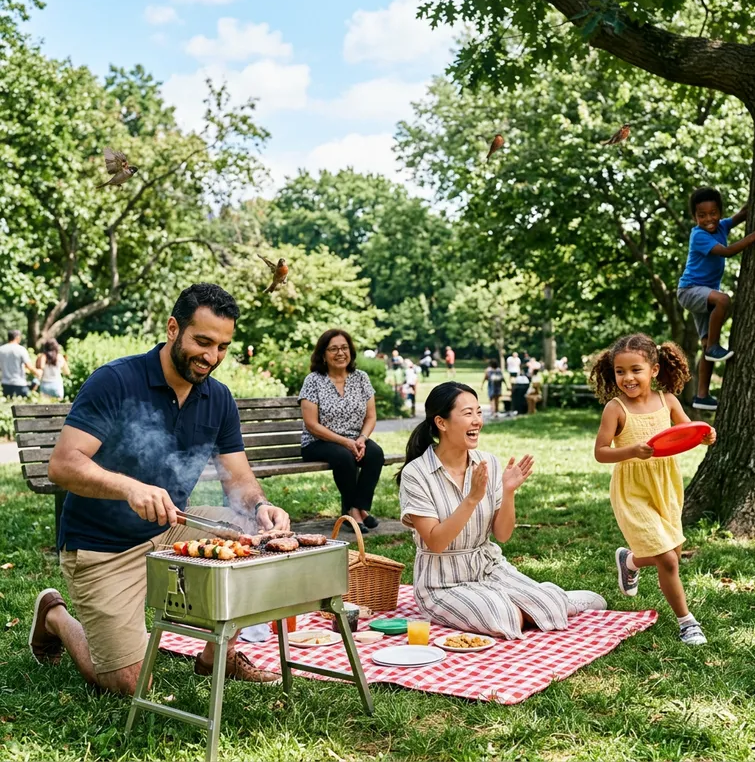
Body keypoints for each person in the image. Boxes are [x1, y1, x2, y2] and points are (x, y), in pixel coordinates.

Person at [28, 284, 291, 694]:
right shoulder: (115, 381)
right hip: (102, 547)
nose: (211, 357)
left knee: (250, 538)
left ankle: (213, 657)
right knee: (131, 685)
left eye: (222, 346)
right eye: (202, 341)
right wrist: (130, 489)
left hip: (171, 532)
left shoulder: (218, 398)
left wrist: (260, 506)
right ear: (173, 328)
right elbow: (63, 465)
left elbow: (238, 480)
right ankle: (56, 617)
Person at [396, 382, 606, 639]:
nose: (477, 421)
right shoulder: (416, 473)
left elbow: (503, 535)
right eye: (467, 413)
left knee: (544, 606)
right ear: (441, 422)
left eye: (478, 412)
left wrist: (508, 492)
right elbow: (436, 541)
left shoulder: (488, 463)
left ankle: (554, 600)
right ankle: (542, 602)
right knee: (505, 616)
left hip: (488, 567)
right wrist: (472, 499)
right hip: (441, 583)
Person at [589, 333, 716, 646]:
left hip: (666, 485)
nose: (628, 378)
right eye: (621, 371)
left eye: (636, 370)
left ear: (654, 370)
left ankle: (630, 561)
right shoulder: (615, 409)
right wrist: (631, 450)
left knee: (667, 554)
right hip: (632, 490)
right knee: (670, 561)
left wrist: (704, 435)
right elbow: (601, 452)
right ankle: (688, 623)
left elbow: (686, 434)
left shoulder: (667, 401)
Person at [676, 187, 755, 410]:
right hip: (691, 290)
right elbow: (727, 251)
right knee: (723, 300)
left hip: (703, 293)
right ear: (695, 217)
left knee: (704, 345)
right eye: (702, 215)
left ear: (720, 212)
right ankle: (714, 346)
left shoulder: (722, 225)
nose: (709, 219)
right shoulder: (699, 235)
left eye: (713, 213)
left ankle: (702, 396)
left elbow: (741, 215)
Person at [299, 329, 385, 534]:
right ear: (323, 355)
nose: (340, 353)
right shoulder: (314, 380)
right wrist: (346, 442)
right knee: (344, 457)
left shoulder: (361, 378)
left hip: (355, 440)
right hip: (318, 442)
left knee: (375, 453)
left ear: (351, 351)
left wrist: (362, 439)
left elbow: (371, 416)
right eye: (333, 349)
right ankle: (353, 513)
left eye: (344, 348)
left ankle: (357, 508)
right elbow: (312, 424)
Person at [0, 330, 41, 397]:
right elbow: (29, 366)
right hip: (19, 384)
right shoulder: (21, 349)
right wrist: (38, 373)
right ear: (17, 337)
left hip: (5, 384)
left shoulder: (1, 350)